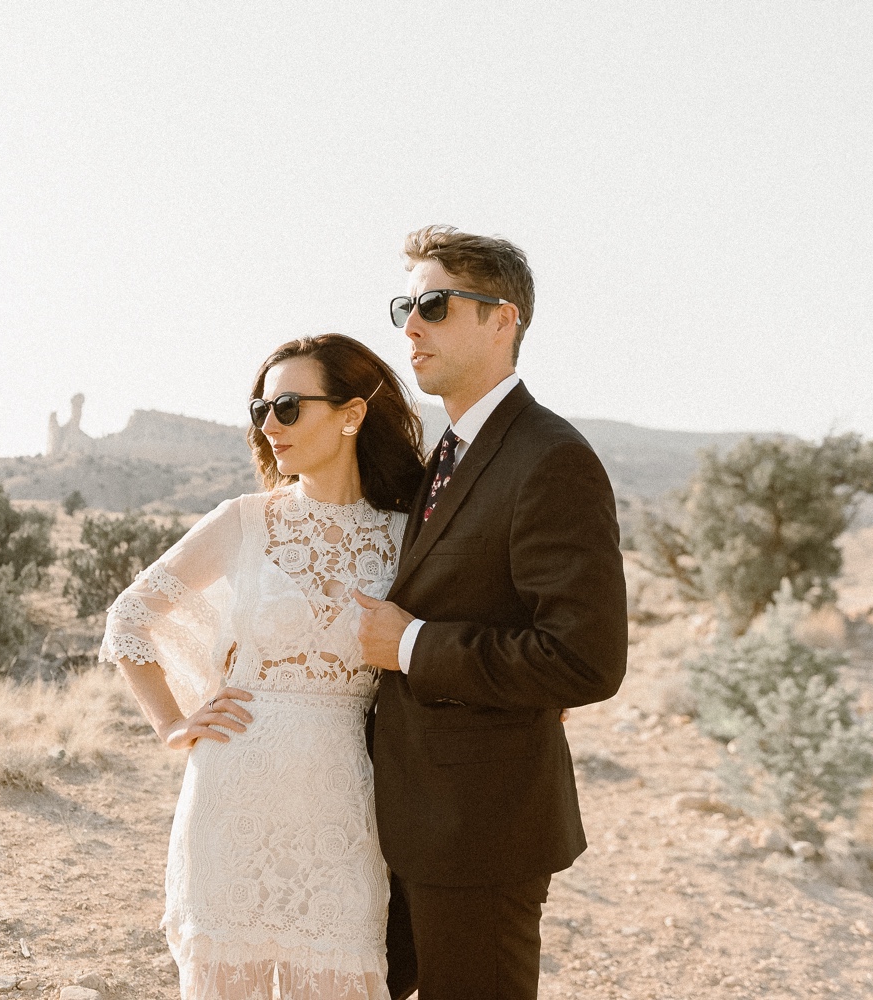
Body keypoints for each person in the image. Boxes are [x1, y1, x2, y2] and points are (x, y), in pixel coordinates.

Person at [101, 333, 426, 1000]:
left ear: (351, 414)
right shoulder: (244, 522)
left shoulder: (405, 534)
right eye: (260, 411)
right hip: (232, 792)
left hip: (344, 798)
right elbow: (130, 618)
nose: (269, 425)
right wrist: (173, 723)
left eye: (287, 406)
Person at [353, 225, 629, 1000]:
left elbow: (584, 659)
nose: (411, 324)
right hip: (403, 816)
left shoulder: (551, 457)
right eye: (405, 304)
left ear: (502, 318)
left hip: (481, 833)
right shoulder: (447, 453)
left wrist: (409, 645)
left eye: (434, 304)